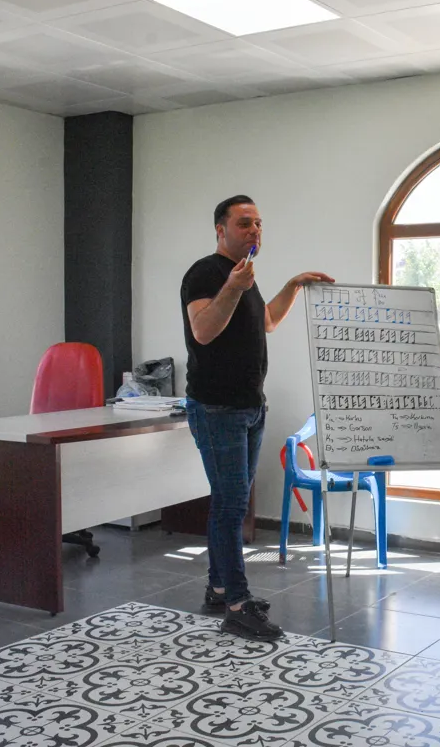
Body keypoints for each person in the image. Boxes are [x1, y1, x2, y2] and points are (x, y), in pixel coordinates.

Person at [180, 194, 333, 641]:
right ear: (221, 230)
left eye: (259, 224)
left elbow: (266, 320)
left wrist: (293, 285)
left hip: (249, 407)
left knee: (229, 501)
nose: (255, 231)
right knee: (231, 505)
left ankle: (219, 587)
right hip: (217, 408)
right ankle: (237, 605)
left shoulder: (245, 275)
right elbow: (203, 331)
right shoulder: (206, 273)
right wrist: (232, 287)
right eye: (245, 223)